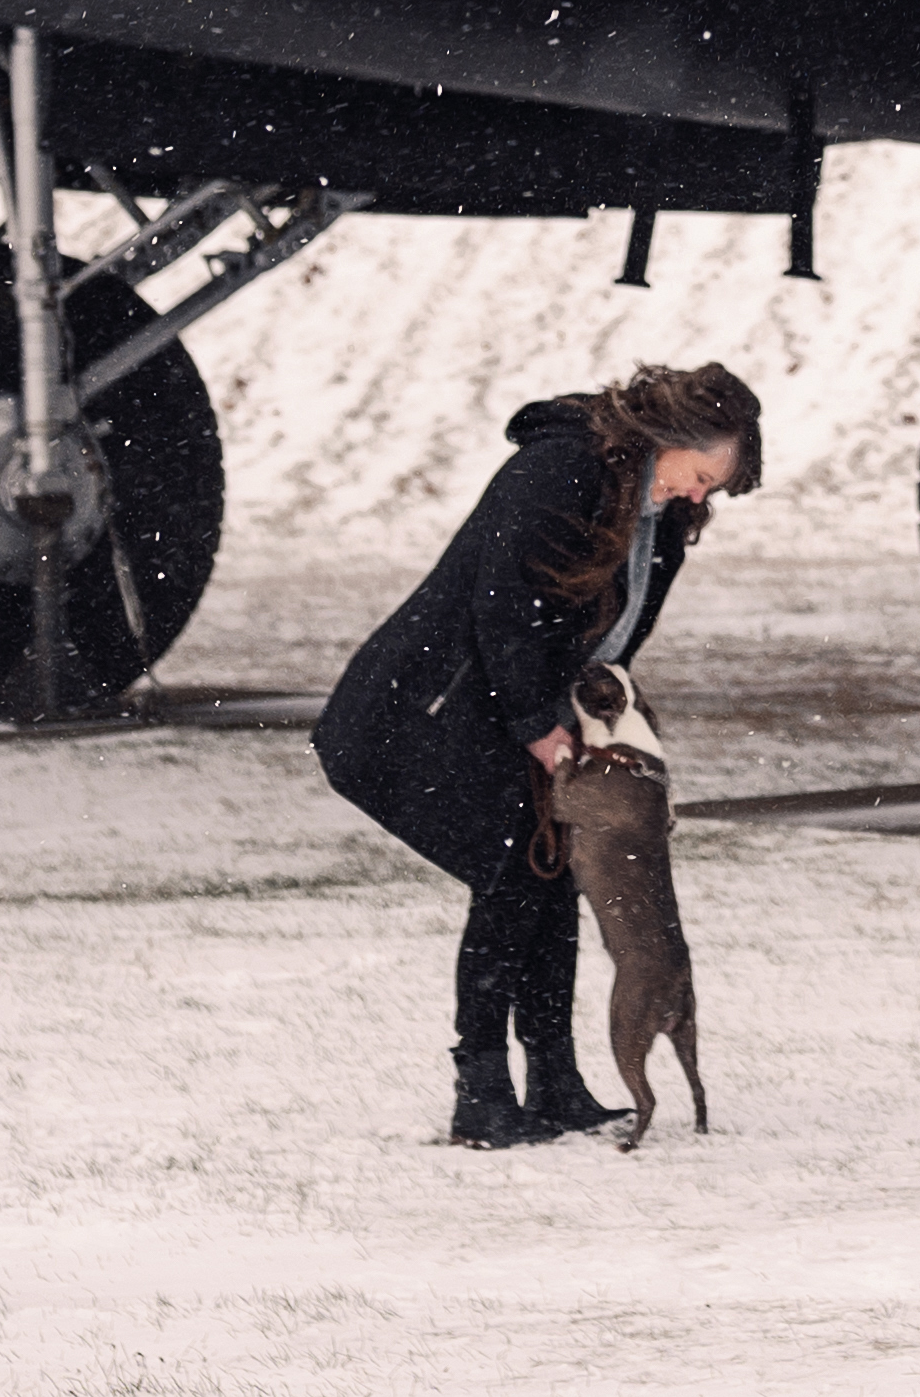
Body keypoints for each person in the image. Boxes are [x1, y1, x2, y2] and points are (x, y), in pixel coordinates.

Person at [315, 363, 762, 1145]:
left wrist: (590, 712)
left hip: (519, 707)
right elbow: (505, 606)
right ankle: (482, 1091)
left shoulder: (656, 515)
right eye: (699, 477)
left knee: (548, 880)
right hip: (428, 707)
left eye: (712, 490)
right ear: (665, 441)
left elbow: (604, 630)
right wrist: (534, 720)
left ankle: (553, 1080)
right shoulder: (562, 468)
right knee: (512, 878)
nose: (700, 498)